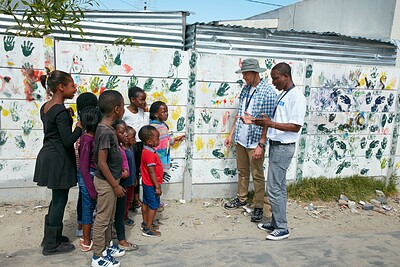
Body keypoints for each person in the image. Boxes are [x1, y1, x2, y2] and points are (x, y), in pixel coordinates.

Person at [244, 62, 306, 240]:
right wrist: (260, 121)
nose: (273, 82)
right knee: (278, 187)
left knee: (274, 188)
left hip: (284, 147)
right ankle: (276, 221)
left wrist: (270, 124)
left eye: (276, 78)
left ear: (286, 76)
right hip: (276, 145)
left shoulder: (297, 97)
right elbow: (277, 121)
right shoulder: (283, 94)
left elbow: (295, 126)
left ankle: (282, 228)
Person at [33, 70, 82, 256]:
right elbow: (68, 141)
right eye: (71, 85)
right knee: (60, 199)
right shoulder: (60, 110)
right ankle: (51, 245)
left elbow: (52, 127)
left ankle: (50, 237)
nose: (74, 88)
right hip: (59, 159)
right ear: (61, 87)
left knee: (56, 198)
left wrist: (66, 116)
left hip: (49, 155)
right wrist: (78, 127)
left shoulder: (46, 106)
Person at [224, 58, 277, 223]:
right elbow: (240, 114)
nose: (244, 77)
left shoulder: (268, 92)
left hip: (255, 141)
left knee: (257, 174)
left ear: (255, 73)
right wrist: (232, 134)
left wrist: (261, 144)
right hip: (241, 137)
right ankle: (241, 198)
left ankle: (258, 206)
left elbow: (267, 122)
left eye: (246, 74)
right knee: (242, 171)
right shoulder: (245, 89)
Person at [91, 90, 126, 267]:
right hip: (107, 183)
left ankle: (106, 246)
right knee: (103, 219)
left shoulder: (108, 128)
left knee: (109, 217)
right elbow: (102, 163)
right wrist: (115, 185)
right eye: (124, 106)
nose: (124, 109)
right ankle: (98, 256)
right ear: (117, 109)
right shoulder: (104, 131)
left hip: (111, 182)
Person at [77, 106, 102, 252]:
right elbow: (84, 168)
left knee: (90, 207)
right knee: (88, 207)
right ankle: (86, 240)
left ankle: (87, 236)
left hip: (90, 175)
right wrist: (91, 189)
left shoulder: (92, 137)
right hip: (88, 176)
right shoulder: (87, 140)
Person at [112, 119, 139, 251]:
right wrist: (123, 173)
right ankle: (120, 241)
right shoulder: (115, 148)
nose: (126, 135)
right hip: (118, 184)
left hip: (123, 183)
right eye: (122, 132)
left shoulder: (122, 148)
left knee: (120, 210)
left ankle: (119, 238)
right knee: (115, 212)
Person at [75, 92, 98, 238]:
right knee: (87, 202)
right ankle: (84, 231)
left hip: (83, 167)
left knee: (84, 200)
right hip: (85, 169)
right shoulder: (87, 135)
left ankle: (81, 225)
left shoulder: (81, 124)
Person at [122, 86, 149, 211]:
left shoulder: (142, 111)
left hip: (140, 144)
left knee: (137, 172)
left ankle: (136, 199)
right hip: (129, 146)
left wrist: (146, 111)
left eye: (144, 99)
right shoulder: (125, 112)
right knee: (130, 172)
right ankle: (128, 200)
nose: (143, 102)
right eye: (141, 99)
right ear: (132, 99)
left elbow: (145, 128)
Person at [149, 101, 185, 183]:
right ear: (156, 114)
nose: (166, 114)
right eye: (163, 112)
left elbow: (165, 140)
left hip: (161, 158)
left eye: (167, 111)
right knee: (155, 180)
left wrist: (176, 139)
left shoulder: (163, 125)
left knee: (158, 179)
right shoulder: (153, 127)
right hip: (156, 159)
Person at [139, 125, 163, 238]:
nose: (159, 140)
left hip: (146, 183)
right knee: (153, 205)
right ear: (149, 141)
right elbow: (152, 172)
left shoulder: (146, 151)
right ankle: (148, 229)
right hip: (151, 184)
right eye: (157, 138)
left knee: (146, 203)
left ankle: (145, 223)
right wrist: (157, 187)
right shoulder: (149, 154)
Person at [124, 126, 137, 225]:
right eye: (133, 137)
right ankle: (123, 217)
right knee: (124, 201)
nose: (135, 139)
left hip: (132, 179)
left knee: (128, 200)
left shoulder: (131, 148)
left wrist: (135, 177)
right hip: (125, 181)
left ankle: (126, 216)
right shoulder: (122, 150)